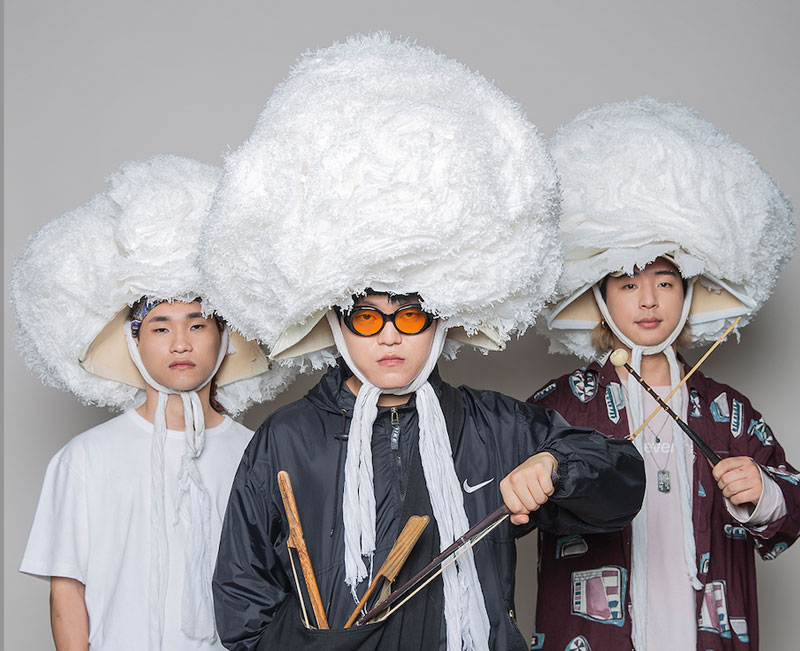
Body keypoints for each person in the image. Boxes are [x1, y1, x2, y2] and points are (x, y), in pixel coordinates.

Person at [200, 34, 645, 651]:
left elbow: (622, 484)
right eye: (367, 317)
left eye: (410, 317)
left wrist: (559, 466)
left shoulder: (495, 428)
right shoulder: (287, 437)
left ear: (442, 319)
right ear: (334, 320)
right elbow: (241, 600)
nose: (388, 336)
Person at [530, 98, 799, 651]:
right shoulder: (554, 408)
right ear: (599, 297)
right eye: (627, 284)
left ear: (691, 290)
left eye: (666, 280)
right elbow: (500, 512)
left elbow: (792, 503)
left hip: (708, 628)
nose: (648, 300)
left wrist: (765, 493)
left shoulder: (730, 410)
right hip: (593, 634)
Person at [12, 155, 295, 651]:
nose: (180, 343)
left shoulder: (261, 456)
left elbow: (282, 588)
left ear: (226, 338)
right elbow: (66, 592)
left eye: (198, 324)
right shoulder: (84, 459)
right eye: (160, 327)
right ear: (134, 343)